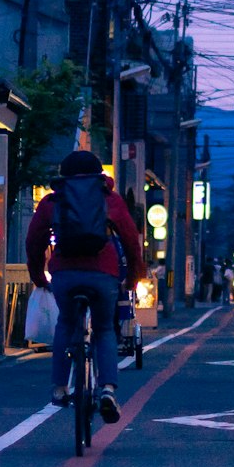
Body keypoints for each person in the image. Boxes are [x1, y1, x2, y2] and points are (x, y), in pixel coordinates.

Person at [26, 150, 144, 424]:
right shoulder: (109, 200)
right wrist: (134, 276)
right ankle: (107, 389)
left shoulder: (52, 201)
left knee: (66, 324)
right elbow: (129, 239)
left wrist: (38, 277)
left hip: (65, 275)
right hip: (103, 274)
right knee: (104, 329)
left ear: (63, 176)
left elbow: (34, 241)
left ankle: (59, 387)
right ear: (99, 176)